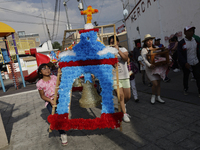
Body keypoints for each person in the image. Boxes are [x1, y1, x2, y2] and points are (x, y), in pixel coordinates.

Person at [36, 63, 68, 146]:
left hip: (59, 100)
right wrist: (50, 100)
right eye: (44, 68)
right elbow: (42, 96)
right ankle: (63, 134)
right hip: (50, 102)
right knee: (55, 118)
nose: (47, 70)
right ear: (40, 72)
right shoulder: (40, 83)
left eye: (48, 68)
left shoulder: (54, 78)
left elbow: (61, 85)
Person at [108, 35, 131, 122]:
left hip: (124, 76)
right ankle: (124, 114)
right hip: (114, 77)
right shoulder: (108, 52)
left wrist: (118, 50)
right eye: (111, 42)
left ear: (118, 42)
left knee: (128, 96)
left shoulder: (123, 49)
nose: (113, 44)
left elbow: (125, 59)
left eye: (114, 42)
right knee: (121, 96)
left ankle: (123, 104)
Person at [141, 34, 165, 104]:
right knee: (155, 83)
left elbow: (160, 56)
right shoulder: (144, 50)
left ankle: (159, 97)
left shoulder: (157, 47)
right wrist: (149, 65)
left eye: (150, 40)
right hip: (149, 69)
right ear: (145, 42)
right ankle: (153, 96)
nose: (149, 42)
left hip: (157, 68)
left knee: (159, 83)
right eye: (148, 41)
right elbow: (145, 59)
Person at [178, 26, 200, 97]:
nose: (191, 33)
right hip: (187, 64)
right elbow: (180, 54)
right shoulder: (182, 43)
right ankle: (185, 88)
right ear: (185, 32)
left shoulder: (195, 41)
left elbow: (197, 51)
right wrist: (185, 63)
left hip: (195, 62)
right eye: (189, 31)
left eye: (192, 31)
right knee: (186, 77)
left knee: (198, 77)